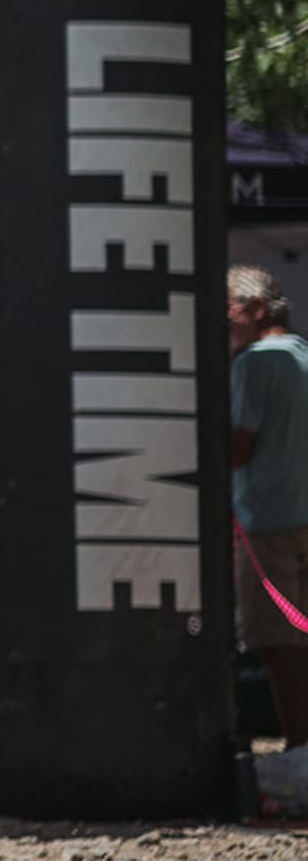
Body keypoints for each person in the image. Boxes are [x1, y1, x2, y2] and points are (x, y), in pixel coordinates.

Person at [230, 264, 308, 747]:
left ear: (257, 310)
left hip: (268, 524)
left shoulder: (254, 362)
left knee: (280, 647)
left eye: (228, 310)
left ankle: (299, 750)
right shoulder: (303, 355)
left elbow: (238, 447)